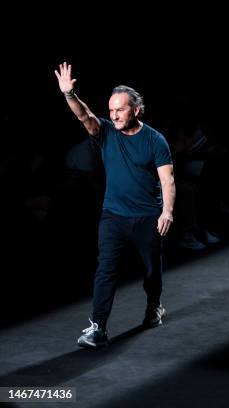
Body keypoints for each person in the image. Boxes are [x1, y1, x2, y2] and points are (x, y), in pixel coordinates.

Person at [54, 62, 176, 348]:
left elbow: (167, 180)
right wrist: (70, 95)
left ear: (135, 109)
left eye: (119, 109)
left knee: (150, 270)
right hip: (114, 216)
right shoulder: (106, 132)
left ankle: (154, 306)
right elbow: (85, 116)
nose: (114, 115)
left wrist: (166, 212)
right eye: (111, 110)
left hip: (148, 216)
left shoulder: (155, 140)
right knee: (105, 269)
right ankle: (98, 327)